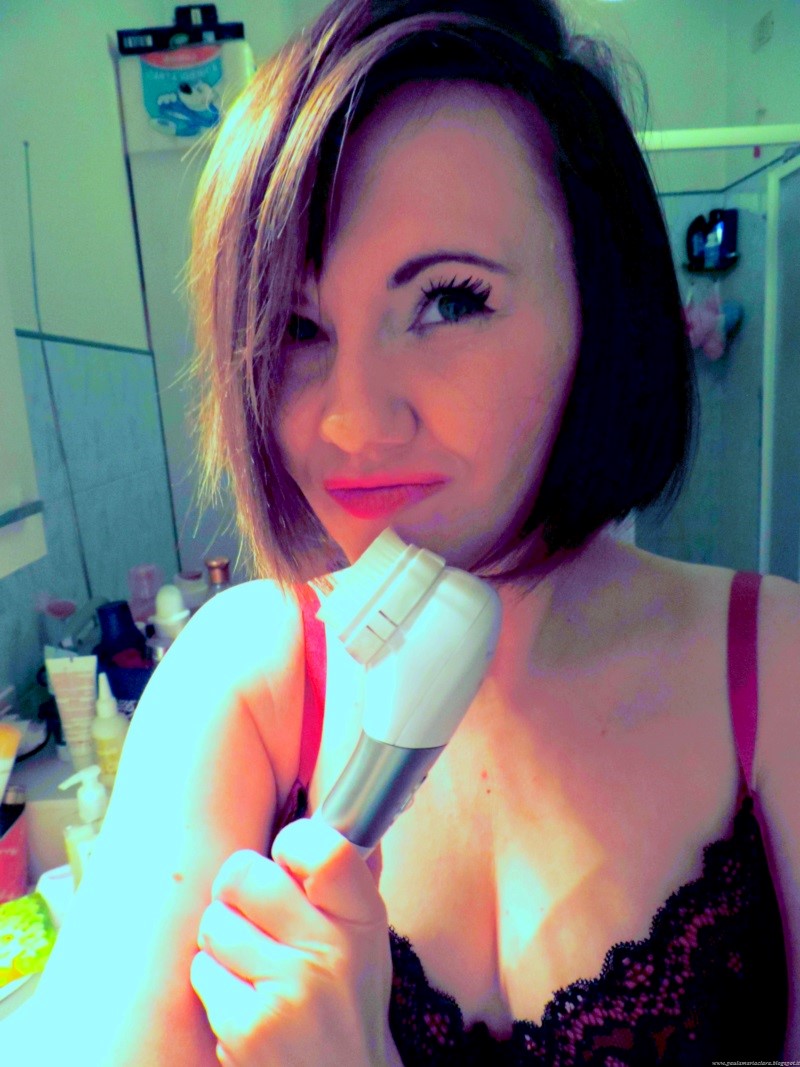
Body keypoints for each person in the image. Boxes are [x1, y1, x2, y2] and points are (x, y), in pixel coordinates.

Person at [6, 0, 797, 1063]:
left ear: (598, 303)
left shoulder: (775, 672)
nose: (350, 422)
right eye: (298, 328)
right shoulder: (240, 682)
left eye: (449, 301)